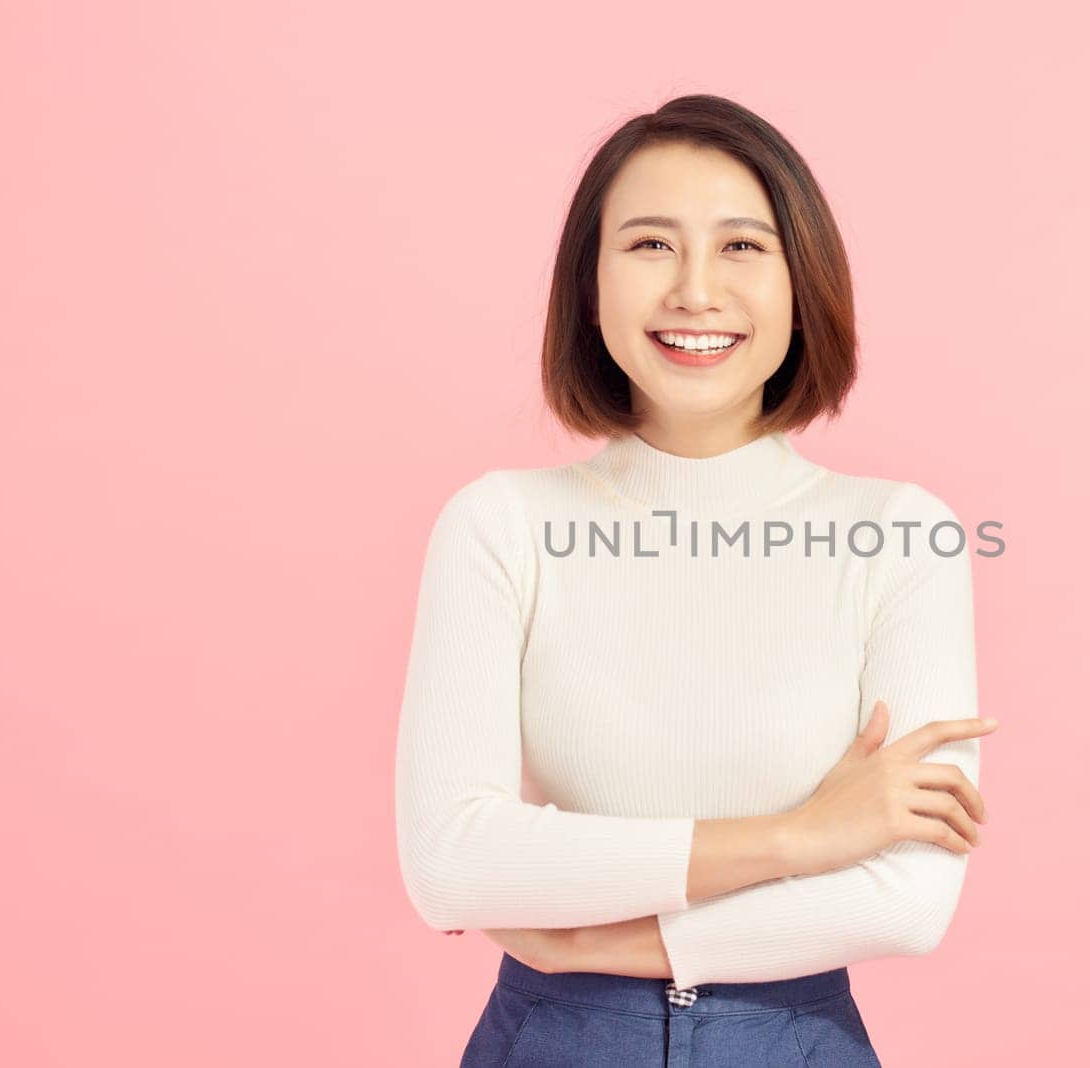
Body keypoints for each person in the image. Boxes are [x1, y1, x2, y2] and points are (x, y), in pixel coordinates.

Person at [394, 93, 998, 1067]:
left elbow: (908, 899)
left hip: (794, 1042)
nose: (694, 292)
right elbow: (452, 864)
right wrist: (800, 838)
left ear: (803, 282)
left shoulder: (898, 535)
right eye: (648, 245)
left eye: (741, 248)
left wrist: (603, 937)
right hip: (553, 1043)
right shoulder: (499, 525)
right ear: (588, 286)